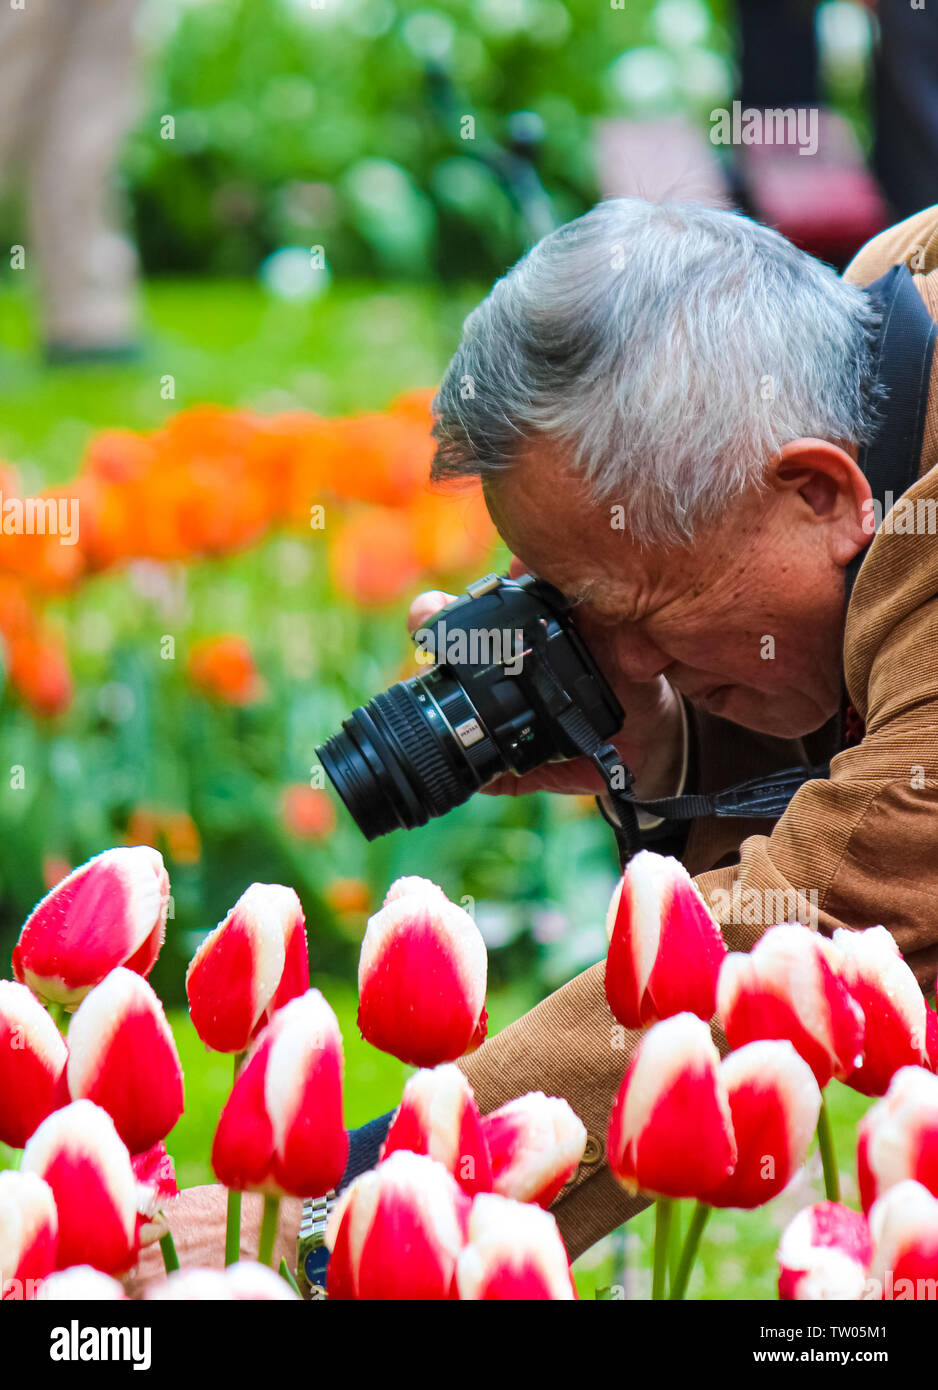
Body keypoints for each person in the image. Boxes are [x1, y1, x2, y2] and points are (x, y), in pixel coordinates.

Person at [137, 197, 938, 1283]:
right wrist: (668, 756)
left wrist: (344, 1216)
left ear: (817, 489)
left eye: (623, 607)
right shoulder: (880, 338)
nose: (622, 663)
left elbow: (830, 905)